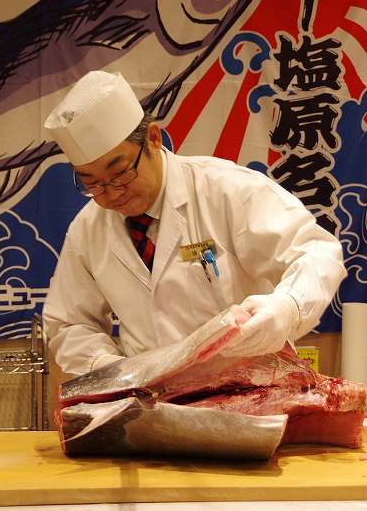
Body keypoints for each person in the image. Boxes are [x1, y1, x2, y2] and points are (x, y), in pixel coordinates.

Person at [42, 70, 347, 376]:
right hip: (148, 397)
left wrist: (288, 306)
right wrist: (107, 366)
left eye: (121, 173)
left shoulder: (226, 189)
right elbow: (69, 324)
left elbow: (316, 251)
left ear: (153, 138)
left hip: (247, 389)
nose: (111, 193)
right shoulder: (87, 229)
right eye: (92, 184)